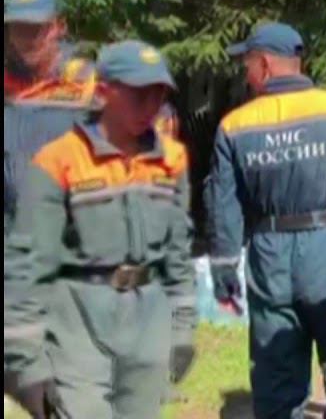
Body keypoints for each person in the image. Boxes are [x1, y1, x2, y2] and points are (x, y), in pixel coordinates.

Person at [4, 41, 195, 418]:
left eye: (159, 95)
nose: (151, 107)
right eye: (139, 95)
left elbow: (178, 250)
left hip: (147, 323)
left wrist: (183, 325)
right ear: (104, 92)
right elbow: (28, 261)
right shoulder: (59, 160)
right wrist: (25, 356)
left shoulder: (170, 159)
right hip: (77, 323)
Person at [204, 22, 326, 419]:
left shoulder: (235, 126)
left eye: (247, 65)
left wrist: (224, 266)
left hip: (271, 258)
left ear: (264, 65)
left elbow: (223, 203)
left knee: (277, 383)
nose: (245, 75)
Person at [4, 0, 97, 233]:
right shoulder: (7, 89)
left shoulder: (87, 86)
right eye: (18, 29)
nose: (27, 40)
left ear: (59, 26)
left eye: (36, 29)